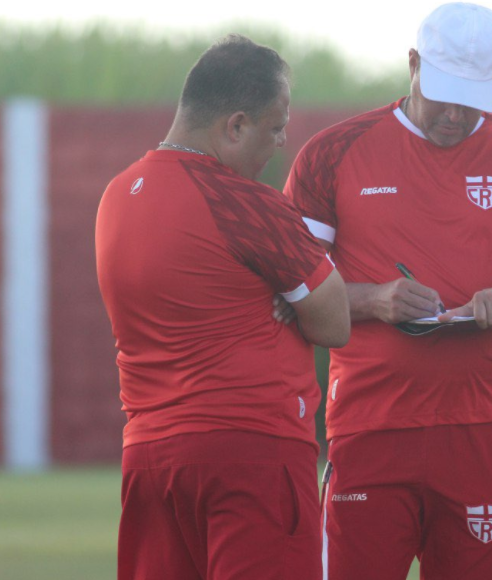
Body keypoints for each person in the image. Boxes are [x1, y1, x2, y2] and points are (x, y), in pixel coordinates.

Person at [284, 3, 492, 578]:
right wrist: (377, 299)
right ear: (413, 65)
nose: (455, 114)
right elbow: (287, 287)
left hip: (484, 426)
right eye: (444, 93)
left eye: (472, 99)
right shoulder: (332, 154)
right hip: (369, 425)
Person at [95, 34, 350, 580]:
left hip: (148, 457)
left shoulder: (115, 195)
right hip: (250, 453)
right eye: (276, 126)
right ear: (235, 125)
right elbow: (334, 321)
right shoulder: (245, 202)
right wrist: (284, 297)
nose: (282, 142)